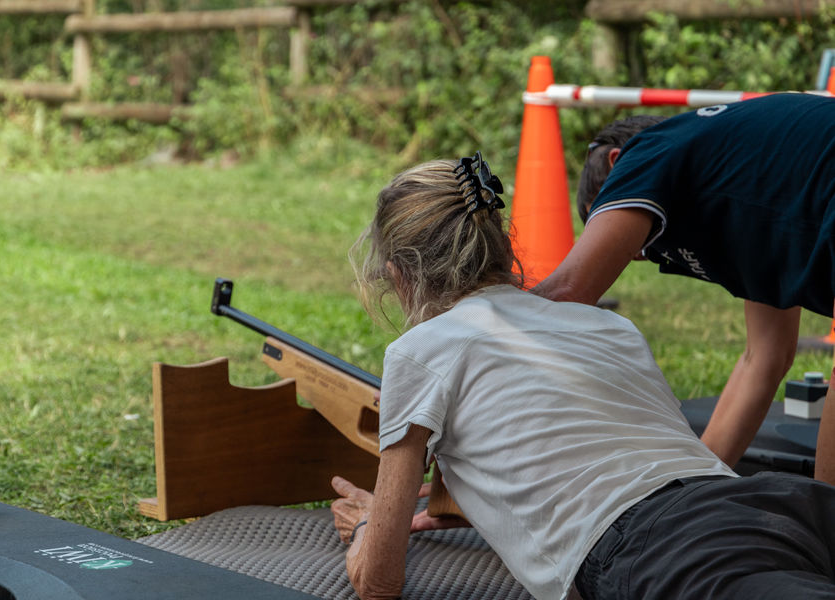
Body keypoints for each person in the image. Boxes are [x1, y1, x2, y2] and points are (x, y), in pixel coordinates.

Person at [330, 152, 835, 600]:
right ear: (503, 249)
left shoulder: (419, 351)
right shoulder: (605, 323)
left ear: (399, 275)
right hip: (772, 503)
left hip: (658, 545)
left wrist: (369, 523)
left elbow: (378, 582)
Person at [531, 92, 835, 484]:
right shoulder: (749, 179)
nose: (634, 256)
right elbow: (764, 358)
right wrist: (694, 491)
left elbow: (564, 295)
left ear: (617, 164)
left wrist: (469, 320)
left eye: (604, 221)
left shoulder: (648, 151)